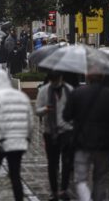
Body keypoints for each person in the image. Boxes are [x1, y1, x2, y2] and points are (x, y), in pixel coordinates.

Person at [0, 69, 33, 201]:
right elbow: (30, 122)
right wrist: (27, 139)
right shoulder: (21, 96)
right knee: (15, 176)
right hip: (18, 143)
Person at [63, 73, 109, 201]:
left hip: (82, 142)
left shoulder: (78, 93)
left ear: (87, 77)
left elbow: (66, 116)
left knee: (80, 179)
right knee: (101, 178)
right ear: (102, 77)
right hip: (104, 144)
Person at [36, 72, 74, 201]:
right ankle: (54, 191)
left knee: (67, 162)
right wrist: (45, 109)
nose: (56, 83)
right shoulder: (44, 91)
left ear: (61, 78)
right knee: (52, 163)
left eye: (57, 80)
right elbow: (37, 110)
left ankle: (64, 189)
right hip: (50, 131)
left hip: (67, 130)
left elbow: (75, 109)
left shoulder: (69, 90)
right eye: (53, 81)